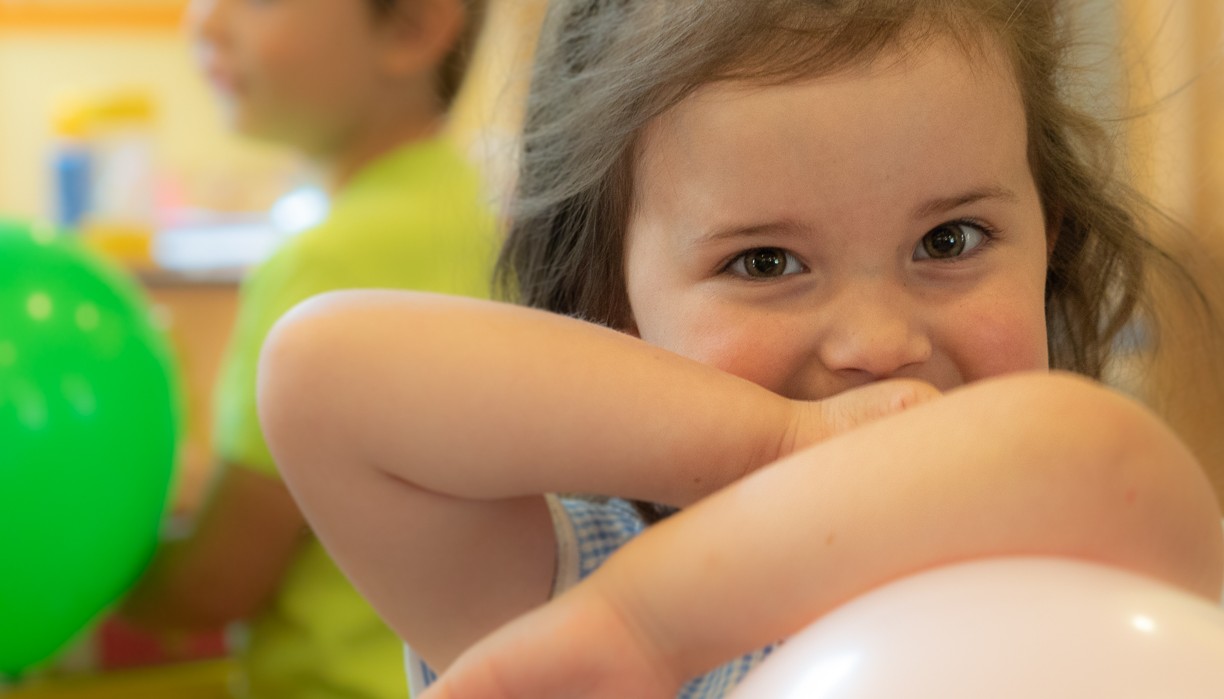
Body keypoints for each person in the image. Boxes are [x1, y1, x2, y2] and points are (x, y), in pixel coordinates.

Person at [255, 1, 1224, 698]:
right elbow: (322, 373)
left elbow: (1093, 451)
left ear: (1049, 240)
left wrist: (654, 626)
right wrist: (774, 447)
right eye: (764, 262)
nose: (878, 345)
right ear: (610, 303)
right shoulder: (568, 601)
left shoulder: (1091, 537)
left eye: (950, 240)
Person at [120, 1, 494, 697]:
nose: (204, 22)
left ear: (411, 24)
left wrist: (79, 572)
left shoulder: (322, 264)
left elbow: (218, 581)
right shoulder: (493, 211)